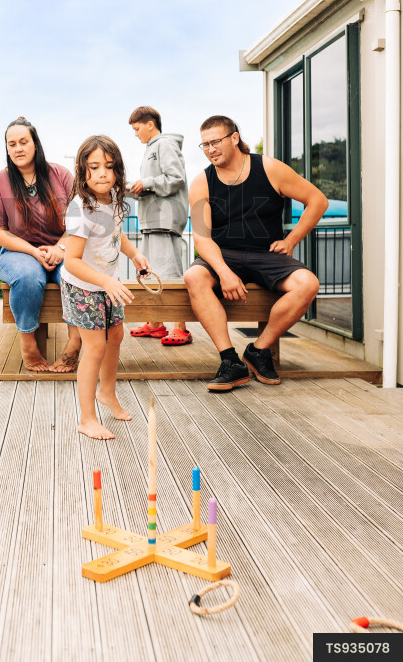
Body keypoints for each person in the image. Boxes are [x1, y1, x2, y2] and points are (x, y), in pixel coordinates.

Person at [184, 114, 328, 391]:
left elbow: (317, 201)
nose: (210, 149)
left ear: (234, 138)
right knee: (194, 277)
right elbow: (202, 238)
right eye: (204, 145)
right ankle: (230, 361)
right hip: (222, 253)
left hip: (268, 254)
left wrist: (292, 239)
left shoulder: (270, 168)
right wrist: (224, 273)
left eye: (215, 142)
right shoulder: (202, 182)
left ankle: (259, 351)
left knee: (308, 284)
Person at [61, 135, 150, 440]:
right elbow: (71, 261)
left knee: (116, 335)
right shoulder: (80, 209)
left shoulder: (113, 199)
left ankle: (107, 393)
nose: (102, 173)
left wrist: (135, 255)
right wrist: (106, 281)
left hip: (106, 284)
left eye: (109, 167)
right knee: (95, 347)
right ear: (81, 170)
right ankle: (86, 418)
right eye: (94, 167)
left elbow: (116, 235)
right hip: (84, 286)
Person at [0, 117, 81, 373]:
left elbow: (80, 222)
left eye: (23, 142)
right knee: (27, 276)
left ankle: (75, 342)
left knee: (75, 273)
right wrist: (33, 251)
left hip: (62, 248)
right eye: (11, 144)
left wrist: (60, 248)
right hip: (17, 252)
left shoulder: (61, 175)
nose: (18, 148)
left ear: (35, 143)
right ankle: (28, 344)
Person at [128, 105, 190, 344]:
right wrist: (136, 187)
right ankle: (156, 324)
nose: (135, 134)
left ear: (150, 124)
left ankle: (181, 326)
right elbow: (154, 185)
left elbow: (176, 179)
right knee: (151, 272)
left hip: (165, 221)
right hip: (152, 221)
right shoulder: (150, 149)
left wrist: (147, 182)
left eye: (137, 128)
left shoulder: (165, 144)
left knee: (171, 275)